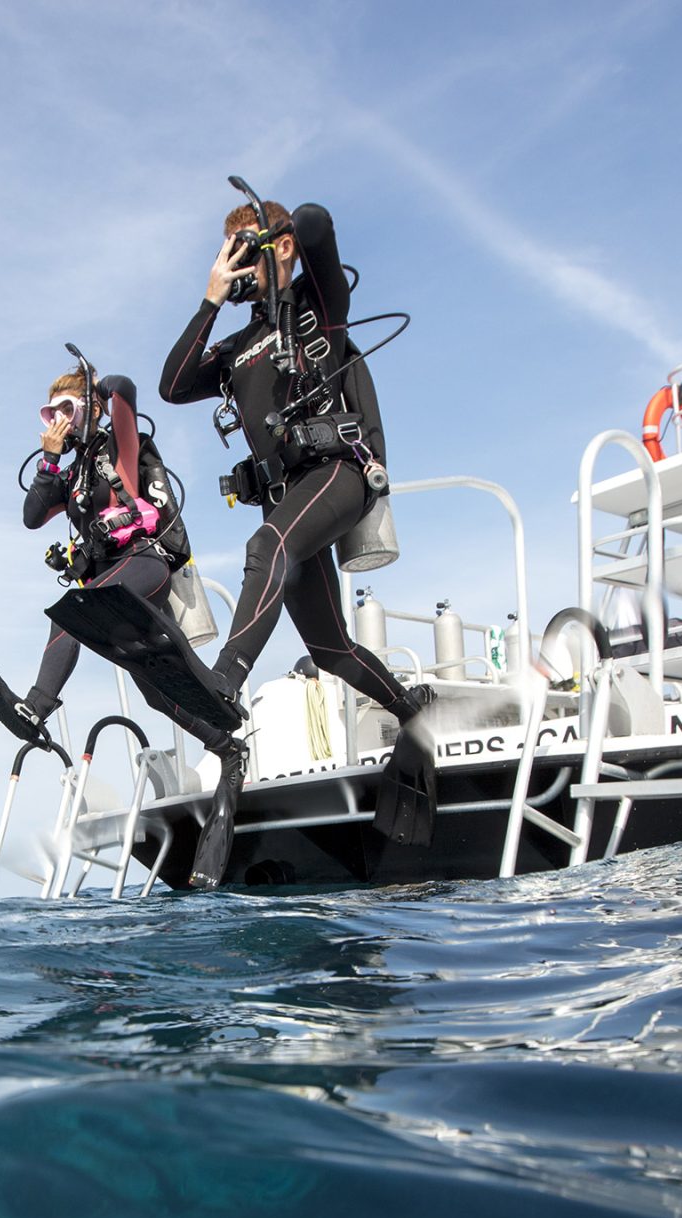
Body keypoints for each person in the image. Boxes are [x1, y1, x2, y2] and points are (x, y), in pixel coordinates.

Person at [160, 194, 435, 880]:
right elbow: (170, 385)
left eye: (252, 249)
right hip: (285, 503)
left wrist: (279, 238)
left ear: (278, 248)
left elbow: (316, 222)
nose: (245, 264)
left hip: (338, 474)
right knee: (332, 648)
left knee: (264, 548)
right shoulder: (237, 343)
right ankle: (411, 708)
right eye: (236, 252)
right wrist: (212, 297)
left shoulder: (321, 304)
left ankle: (222, 686)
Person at [14, 365, 215, 739]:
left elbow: (124, 387)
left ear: (90, 408)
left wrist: (95, 389)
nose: (59, 420)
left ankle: (37, 707)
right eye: (51, 413)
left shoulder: (117, 449)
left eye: (66, 410)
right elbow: (32, 517)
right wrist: (49, 461)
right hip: (108, 582)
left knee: (71, 612)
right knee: (154, 691)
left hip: (142, 564)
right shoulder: (71, 478)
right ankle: (225, 746)